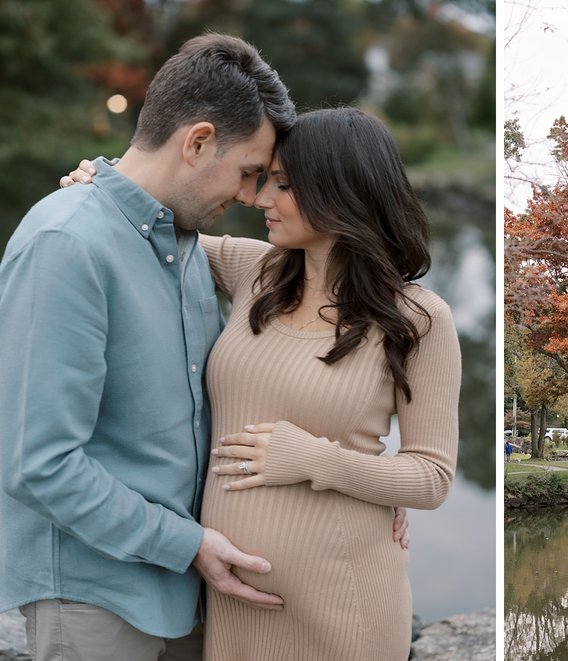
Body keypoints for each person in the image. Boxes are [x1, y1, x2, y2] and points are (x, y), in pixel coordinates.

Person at [0, 34, 407, 661]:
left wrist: (364, 485)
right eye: (249, 172)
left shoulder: (185, 245)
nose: (252, 196)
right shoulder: (68, 245)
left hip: (190, 591)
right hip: (96, 600)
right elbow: (40, 462)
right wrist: (186, 543)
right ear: (197, 142)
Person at [65, 108, 461, 660]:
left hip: (342, 602)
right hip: (229, 596)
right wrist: (99, 183)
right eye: (264, 179)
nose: (259, 198)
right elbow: (135, 227)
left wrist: (313, 460)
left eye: (283, 184)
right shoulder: (255, 271)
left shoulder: (419, 318)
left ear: (341, 191)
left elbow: (432, 476)